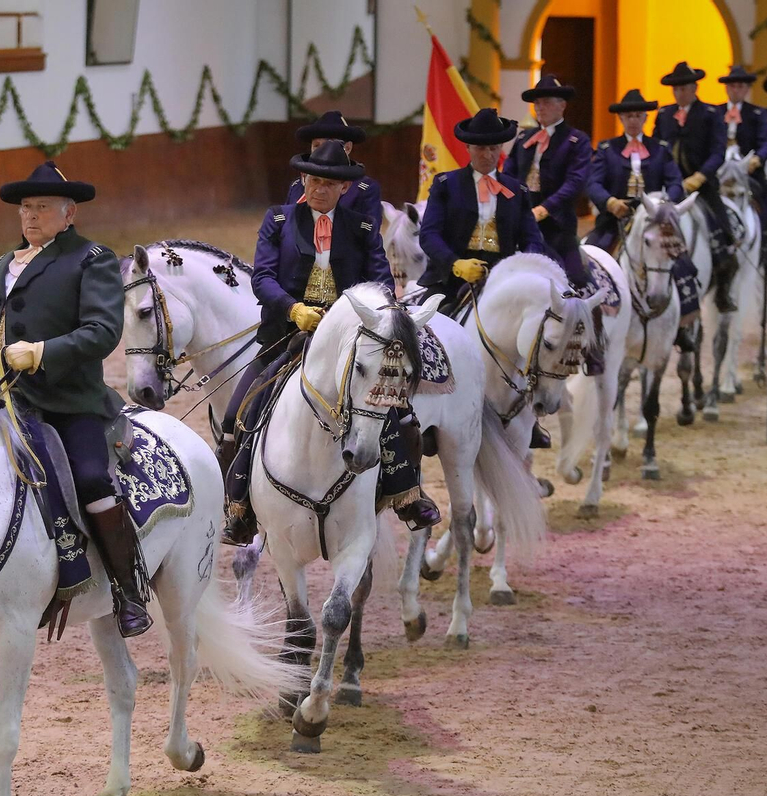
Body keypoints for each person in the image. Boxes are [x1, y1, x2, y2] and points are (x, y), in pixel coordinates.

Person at [0, 162, 151, 639]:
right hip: (8, 400)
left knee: (90, 479)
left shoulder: (92, 259)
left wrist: (42, 352)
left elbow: (103, 331)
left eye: (42, 207)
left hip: (69, 401)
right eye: (26, 208)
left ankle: (128, 591)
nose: (30, 216)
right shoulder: (5, 264)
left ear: (69, 214)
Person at [220, 140, 438, 545]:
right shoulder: (279, 220)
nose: (319, 188)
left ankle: (407, 493)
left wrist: (353, 318)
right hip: (286, 334)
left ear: (344, 189)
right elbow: (262, 277)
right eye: (314, 179)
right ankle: (238, 509)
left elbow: (379, 281)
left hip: (349, 338)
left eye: (330, 183)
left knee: (399, 413)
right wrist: (293, 308)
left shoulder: (363, 227)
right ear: (303, 179)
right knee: (238, 414)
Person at [415, 107, 545, 317]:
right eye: (480, 148)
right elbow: (429, 236)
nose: (487, 155)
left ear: (501, 147)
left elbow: (532, 239)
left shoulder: (517, 190)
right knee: (421, 331)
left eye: (493, 148)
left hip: (504, 278)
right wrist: (455, 264)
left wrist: (523, 265)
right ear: (468, 147)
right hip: (453, 279)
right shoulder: (446, 185)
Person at [654, 61, 737, 316]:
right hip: (668, 184)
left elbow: (717, 151)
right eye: (676, 89)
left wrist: (700, 176)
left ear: (694, 88)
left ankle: (723, 285)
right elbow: (657, 147)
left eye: (684, 88)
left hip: (702, 184)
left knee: (721, 226)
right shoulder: (664, 115)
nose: (679, 93)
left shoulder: (711, 114)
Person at [502, 73, 593, 293]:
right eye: (537, 103)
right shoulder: (524, 138)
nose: (539, 108)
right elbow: (509, 174)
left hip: (557, 223)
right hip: (522, 219)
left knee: (577, 279)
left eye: (546, 103)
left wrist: (544, 209)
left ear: (562, 106)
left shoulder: (576, 140)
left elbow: (575, 181)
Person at [585, 89, 684, 252]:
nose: (633, 120)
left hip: (653, 220)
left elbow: (675, 183)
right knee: (591, 258)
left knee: (678, 255)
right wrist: (610, 202)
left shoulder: (660, 149)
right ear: (621, 118)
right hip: (614, 221)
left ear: (645, 118)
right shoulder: (607, 149)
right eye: (628, 116)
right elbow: (593, 183)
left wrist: (662, 205)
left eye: (638, 115)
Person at [284, 111, 383, 232]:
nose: (323, 153)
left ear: (348, 148)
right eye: (317, 146)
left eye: (330, 147)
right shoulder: (297, 186)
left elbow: (369, 233)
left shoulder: (364, 190)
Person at [717, 64, 767, 231]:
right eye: (732, 86)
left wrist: (757, 159)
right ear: (727, 88)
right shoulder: (715, 112)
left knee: (765, 197)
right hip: (719, 167)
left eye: (740, 86)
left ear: (747, 89)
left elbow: (766, 141)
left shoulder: (757, 113)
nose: (736, 90)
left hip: (748, 169)